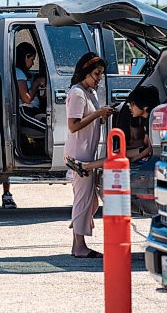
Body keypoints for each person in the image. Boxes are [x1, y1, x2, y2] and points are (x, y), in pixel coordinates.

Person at [63, 52, 115, 258]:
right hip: (80, 155)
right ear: (86, 72)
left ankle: (79, 243)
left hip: (87, 152)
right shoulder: (77, 93)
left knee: (88, 199)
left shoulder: (89, 91)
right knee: (83, 200)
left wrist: (99, 118)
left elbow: (87, 120)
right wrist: (97, 114)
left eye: (101, 74)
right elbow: (73, 125)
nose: (99, 78)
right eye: (96, 73)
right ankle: (79, 246)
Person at [67, 85, 161, 175]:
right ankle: (85, 166)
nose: (129, 107)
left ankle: (85, 166)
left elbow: (149, 149)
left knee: (118, 156)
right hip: (144, 151)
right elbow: (145, 145)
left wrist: (132, 159)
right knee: (118, 153)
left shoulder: (152, 121)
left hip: (150, 156)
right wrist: (125, 149)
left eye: (132, 104)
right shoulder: (149, 120)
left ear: (145, 107)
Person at [16, 42, 47, 133]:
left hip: (33, 109)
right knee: (48, 131)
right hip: (25, 110)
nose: (33, 63)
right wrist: (36, 83)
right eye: (32, 59)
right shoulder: (18, 73)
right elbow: (27, 99)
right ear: (26, 57)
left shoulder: (24, 74)